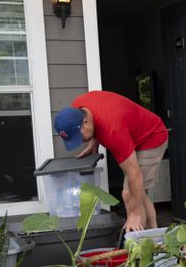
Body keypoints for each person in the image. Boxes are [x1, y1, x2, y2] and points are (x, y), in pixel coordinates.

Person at [54, 90, 168, 233]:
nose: (81, 141)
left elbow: (135, 173)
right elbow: (98, 117)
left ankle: (141, 242)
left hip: (151, 137)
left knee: (129, 194)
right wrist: (94, 142)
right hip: (131, 135)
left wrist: (133, 214)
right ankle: (153, 232)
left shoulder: (112, 131)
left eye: (80, 136)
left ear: (85, 122)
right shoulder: (77, 110)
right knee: (137, 191)